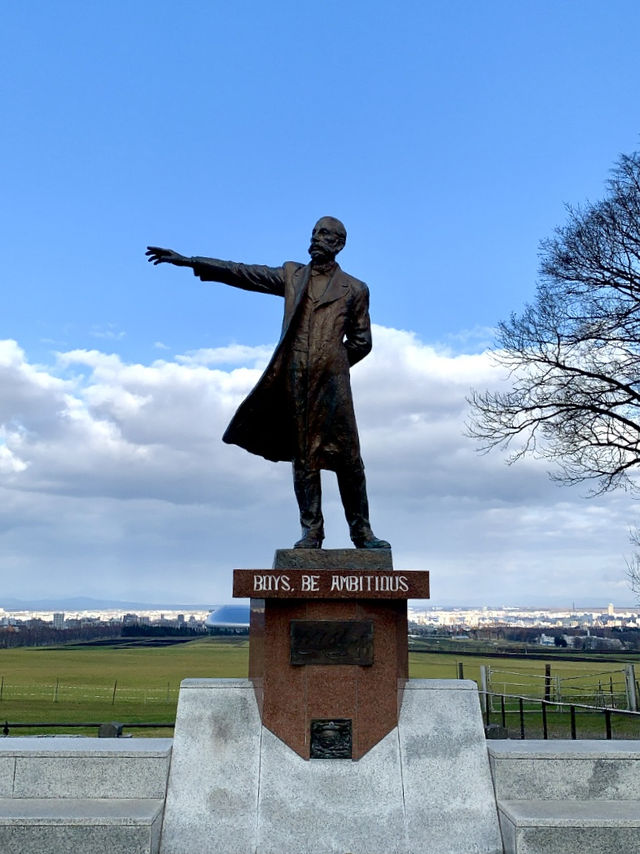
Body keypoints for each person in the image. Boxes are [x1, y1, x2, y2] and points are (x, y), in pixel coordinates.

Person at [146, 217, 389, 550]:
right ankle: (312, 532)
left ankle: (362, 533)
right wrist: (191, 261)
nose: (316, 238)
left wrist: (333, 362)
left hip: (333, 387)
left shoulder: (356, 289)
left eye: (325, 234)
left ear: (340, 243)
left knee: (349, 460)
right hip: (296, 385)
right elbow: (244, 273)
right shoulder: (293, 275)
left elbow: (362, 340)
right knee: (304, 459)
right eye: (315, 232)